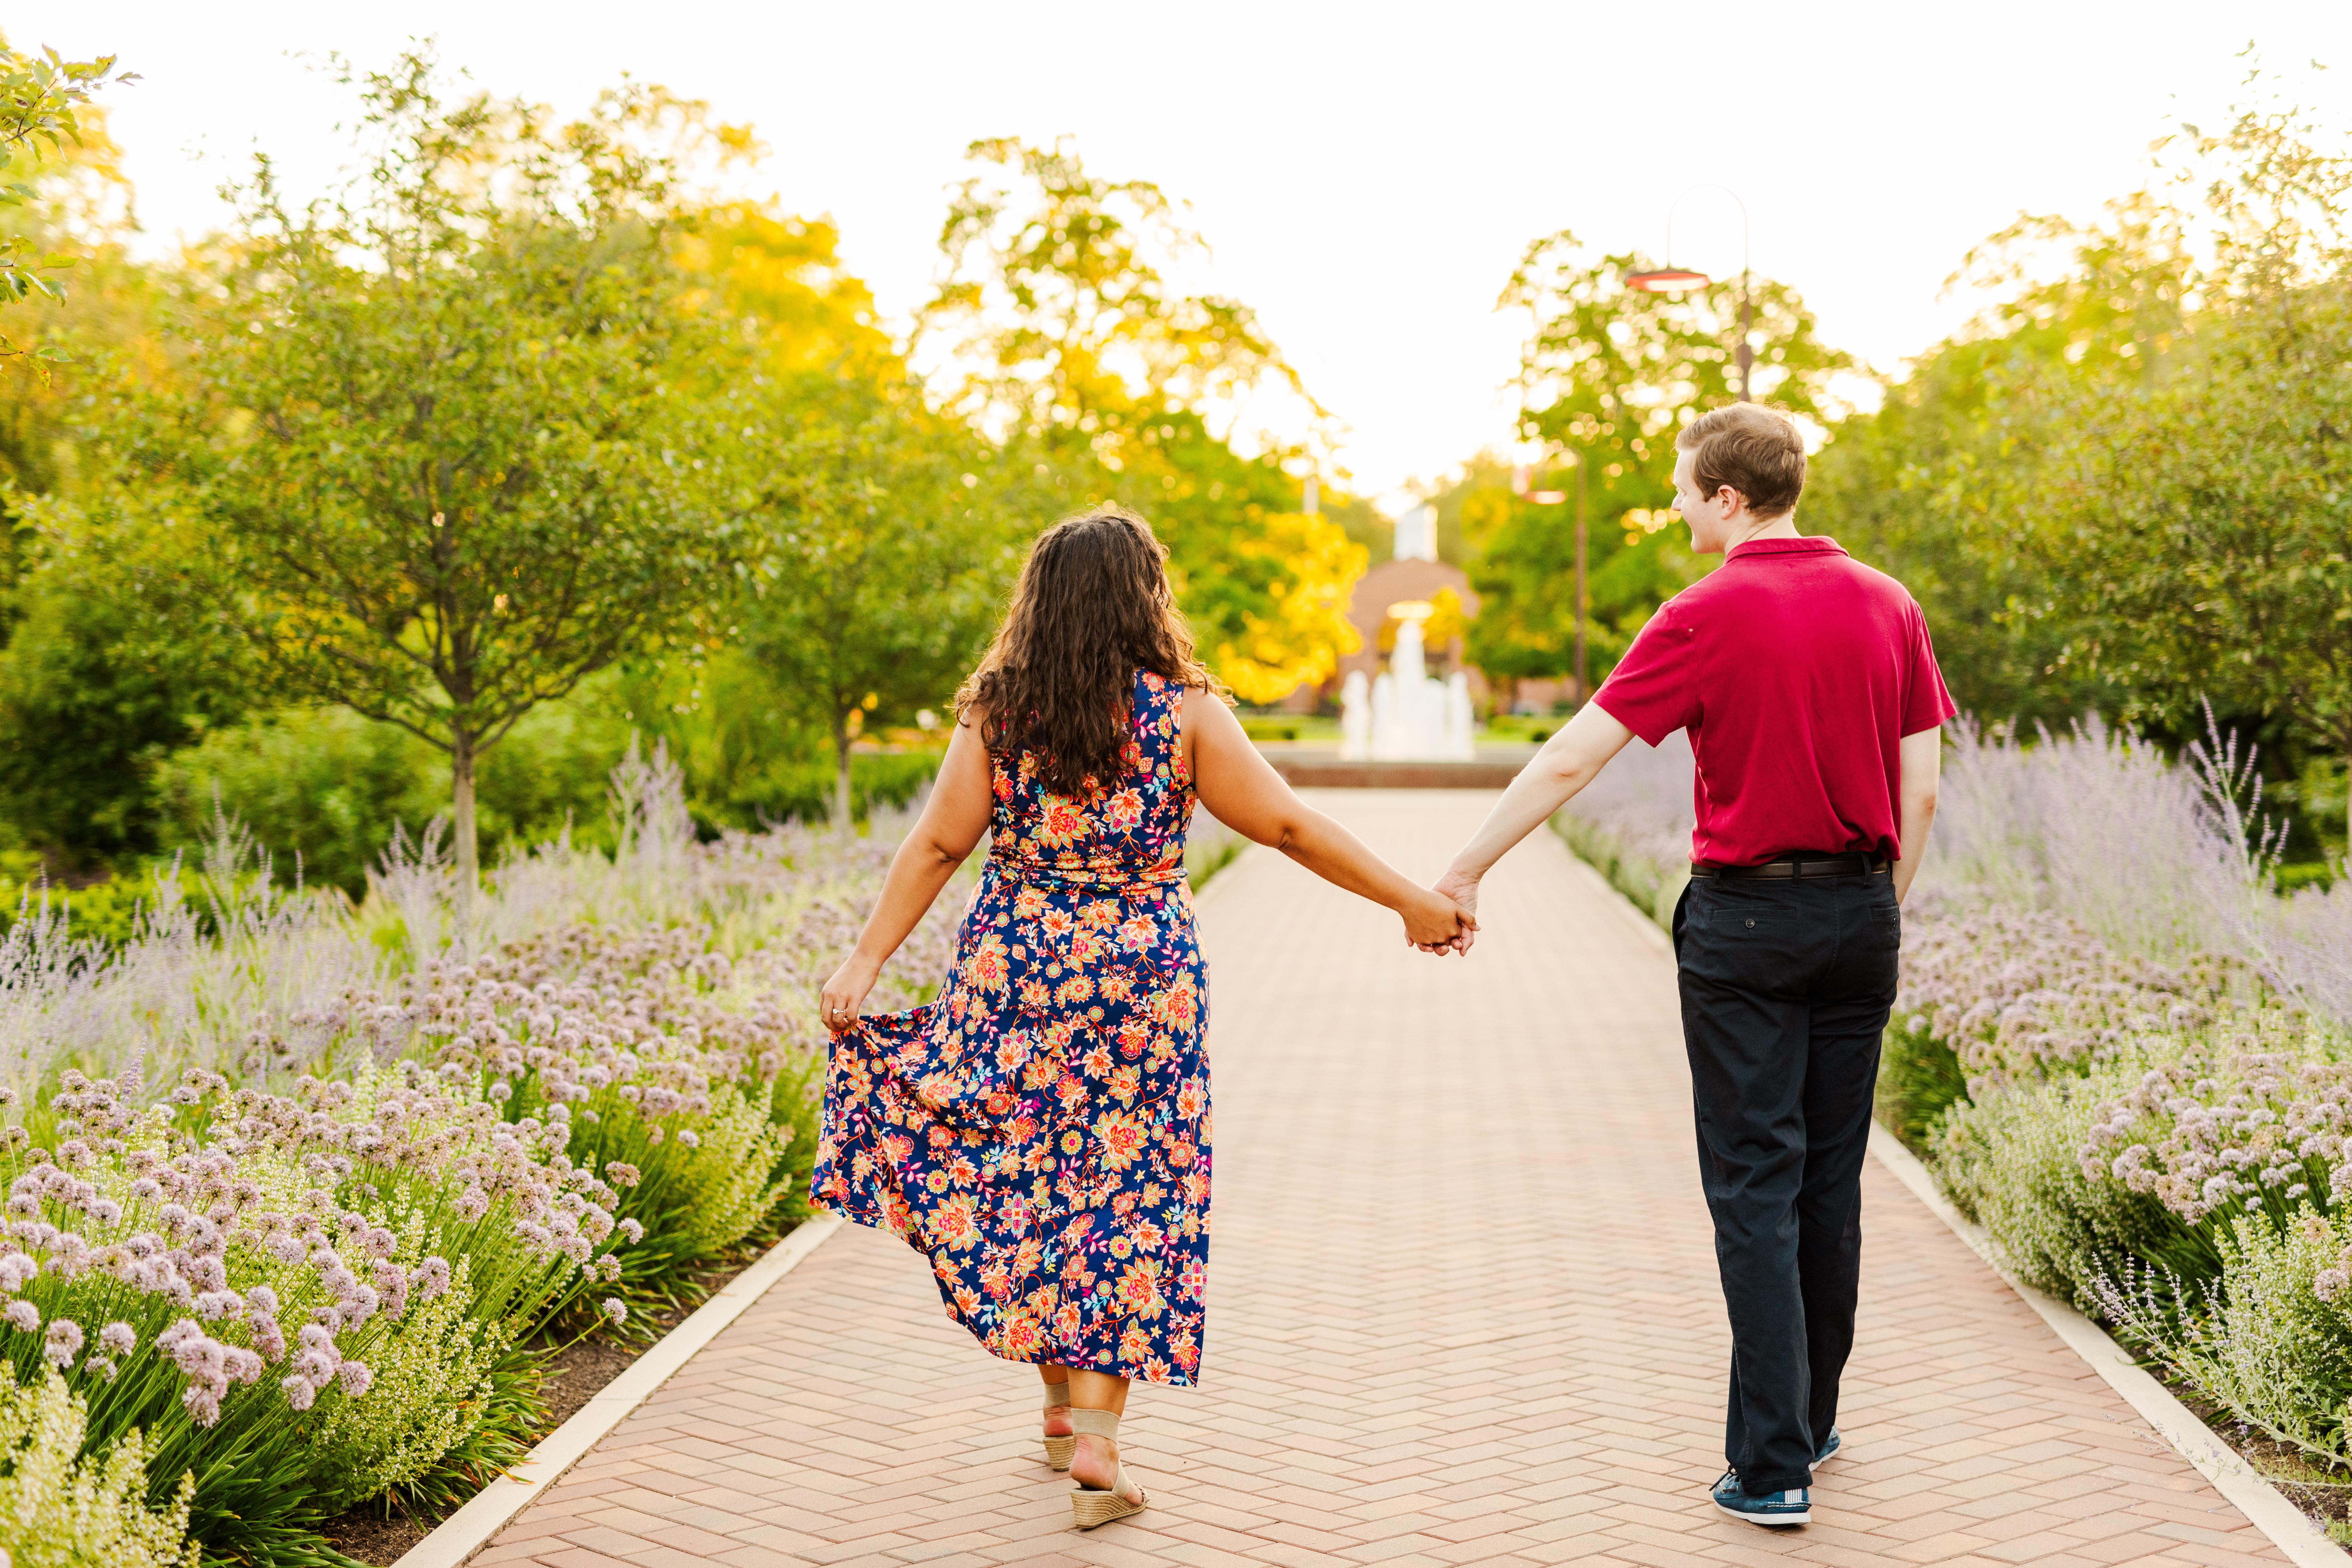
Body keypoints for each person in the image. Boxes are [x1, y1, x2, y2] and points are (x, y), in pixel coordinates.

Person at [812, 506, 1474, 1532]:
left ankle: (1054, 1406)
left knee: (1025, 1169)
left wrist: (866, 959)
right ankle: (1097, 1446)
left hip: (1016, 967)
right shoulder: (1184, 713)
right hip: (1141, 985)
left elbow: (940, 846)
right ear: (1145, 595)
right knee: (1129, 1187)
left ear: (1039, 601)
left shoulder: (997, 709)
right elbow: (1290, 826)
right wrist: (1410, 902)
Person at [1426, 402, 1951, 1531]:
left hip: (1745, 928)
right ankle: (1808, 1421)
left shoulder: (1704, 615)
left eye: (1679, 486)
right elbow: (1925, 792)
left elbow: (1573, 759)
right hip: (1862, 912)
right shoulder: (1891, 606)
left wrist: (1465, 869)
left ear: (1727, 495)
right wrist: (1873, 912)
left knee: (1756, 1185)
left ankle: (1770, 1469)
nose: (1671, 504)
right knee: (1828, 1179)